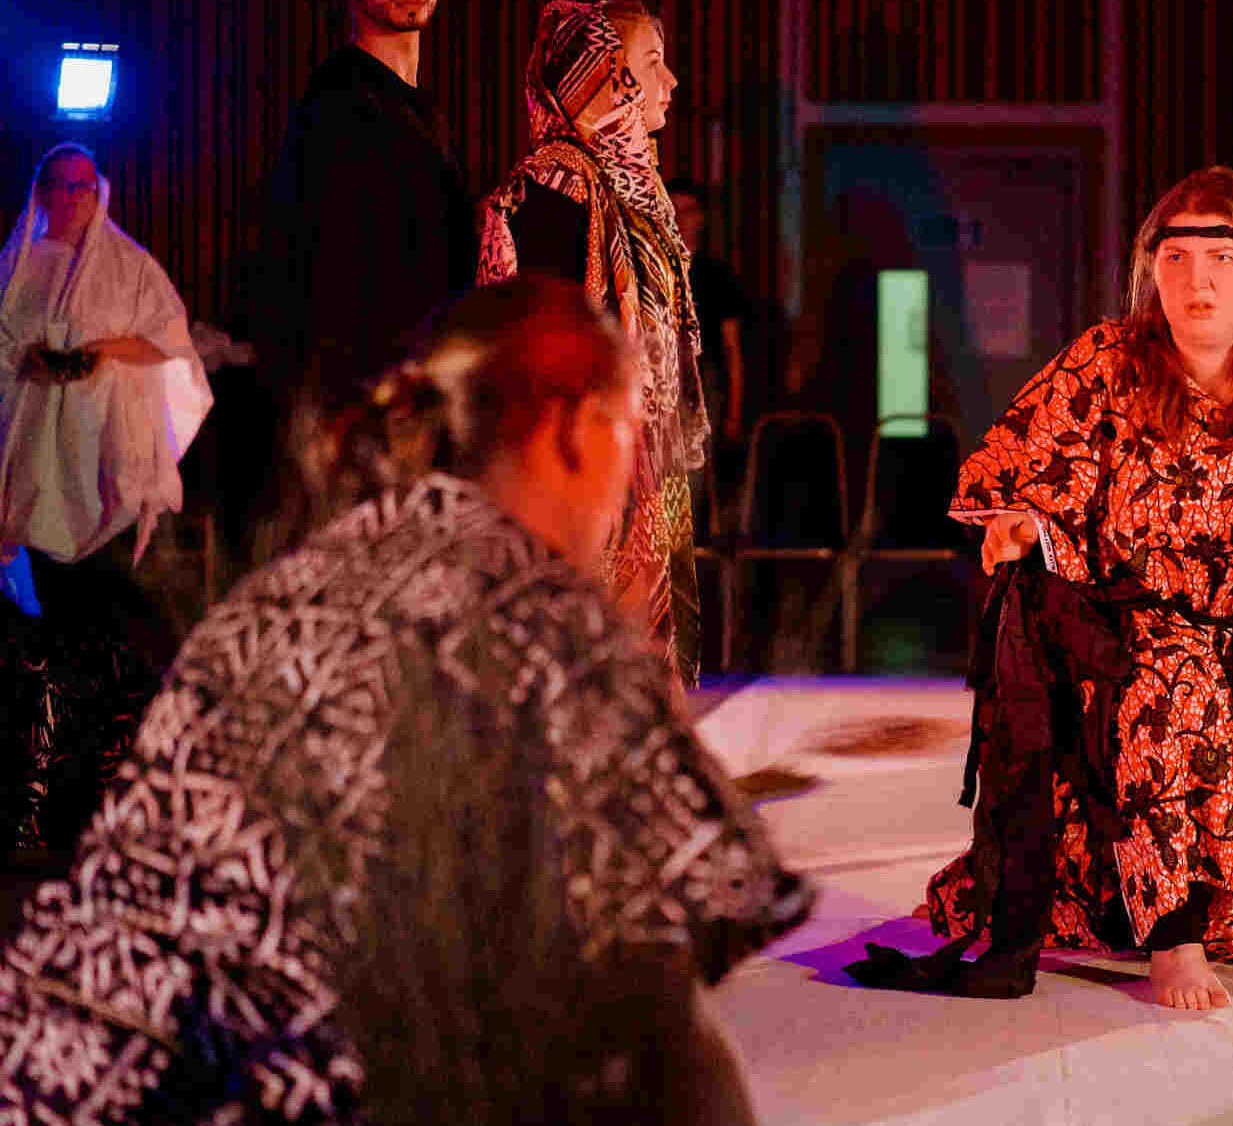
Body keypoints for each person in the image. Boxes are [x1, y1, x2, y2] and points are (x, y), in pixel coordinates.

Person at [0, 276, 810, 1123]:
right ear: (574, 432)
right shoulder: (537, 622)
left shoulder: (277, 597)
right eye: (629, 434)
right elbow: (705, 917)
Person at [848, 167, 1233, 1011]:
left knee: (1195, 677)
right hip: (1116, 620)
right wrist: (1019, 526)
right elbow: (1035, 481)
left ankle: (1171, 908)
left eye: (1223, 256)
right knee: (1168, 682)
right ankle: (1174, 936)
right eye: (1177, 254)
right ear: (1150, 267)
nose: (1198, 280)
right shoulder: (1107, 361)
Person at [480, 0, 709, 689]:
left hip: (648, 460)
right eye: (645, 66)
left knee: (645, 649)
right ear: (599, 82)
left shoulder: (636, 198)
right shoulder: (553, 193)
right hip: (589, 466)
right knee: (590, 648)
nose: (664, 84)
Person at [0, 142, 212, 851]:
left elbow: (170, 344)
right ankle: (47, 809)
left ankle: (113, 804)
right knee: (49, 643)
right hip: (39, 476)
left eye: (81, 187)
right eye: (55, 186)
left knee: (107, 637)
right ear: (40, 192)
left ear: (100, 193)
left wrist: (100, 354)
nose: (68, 199)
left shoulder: (126, 268)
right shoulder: (17, 271)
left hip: (105, 475)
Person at [255, 0, 476, 549]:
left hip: (416, 412)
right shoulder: (337, 106)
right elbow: (320, 286)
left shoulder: (421, 112)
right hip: (370, 426)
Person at [667, 177, 751, 449]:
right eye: (673, 210)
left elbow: (732, 347)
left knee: (696, 473)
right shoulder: (651, 272)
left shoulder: (717, 276)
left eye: (688, 211)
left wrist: (734, 411)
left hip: (703, 381)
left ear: (700, 218)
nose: (680, 219)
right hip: (659, 380)